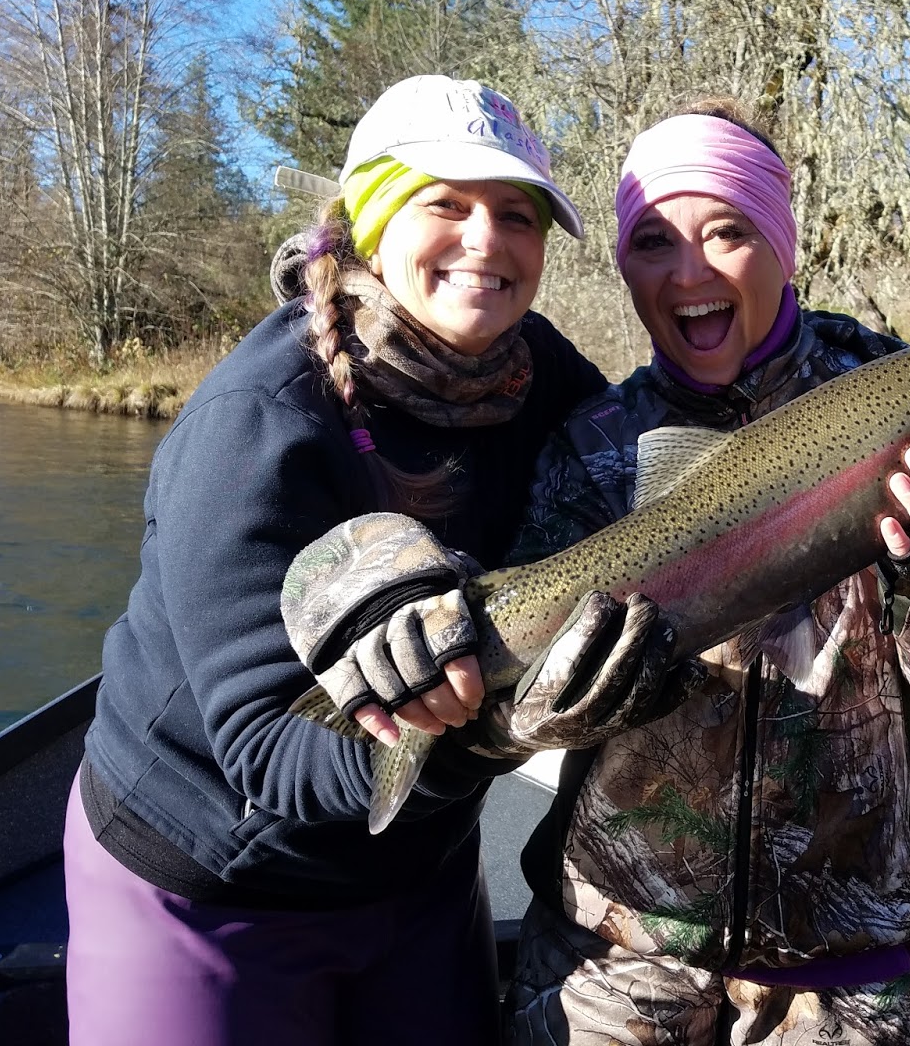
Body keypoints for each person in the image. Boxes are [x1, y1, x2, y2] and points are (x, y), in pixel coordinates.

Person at [490, 99, 910, 1045]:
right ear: (624, 264)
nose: (689, 273)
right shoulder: (592, 444)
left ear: (784, 242)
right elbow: (509, 722)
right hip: (615, 959)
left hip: (857, 977)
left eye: (728, 232)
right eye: (653, 241)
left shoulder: (907, 400)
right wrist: (575, 698)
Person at [64, 75, 618, 1046]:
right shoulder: (259, 422)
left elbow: (659, 473)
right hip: (212, 874)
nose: (486, 240)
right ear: (370, 222)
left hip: (419, 866)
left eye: (516, 215)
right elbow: (269, 753)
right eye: (444, 204)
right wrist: (485, 737)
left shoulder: (544, 375)